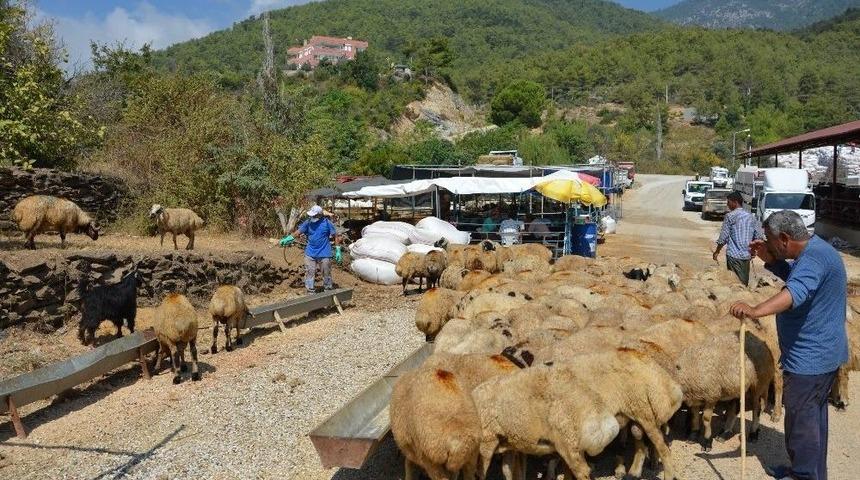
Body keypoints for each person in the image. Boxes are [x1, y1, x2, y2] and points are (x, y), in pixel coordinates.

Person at [730, 210, 848, 480]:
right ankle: (812, 472)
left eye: (770, 241)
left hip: (810, 360)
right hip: (823, 355)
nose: (767, 244)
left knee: (801, 423)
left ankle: (804, 476)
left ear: (784, 238)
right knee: (814, 419)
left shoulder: (814, 258)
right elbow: (801, 280)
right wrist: (770, 259)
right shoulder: (816, 252)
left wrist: (755, 310)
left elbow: (795, 293)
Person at [279, 205, 342, 294]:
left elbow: (335, 235)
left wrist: (338, 250)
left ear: (320, 215)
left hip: (324, 253)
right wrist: (288, 238)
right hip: (310, 253)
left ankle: (328, 291)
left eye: (314, 215)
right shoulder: (308, 222)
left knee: (326, 273)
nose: (312, 217)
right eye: (311, 215)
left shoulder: (327, 223)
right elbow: (298, 232)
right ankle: (310, 291)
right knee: (310, 272)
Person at [713, 191, 763, 285]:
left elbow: (723, 237)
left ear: (735, 202)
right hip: (746, 256)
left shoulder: (730, 216)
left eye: (728, 202)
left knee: (734, 283)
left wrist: (717, 251)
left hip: (733, 256)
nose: (727, 205)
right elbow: (758, 237)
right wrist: (753, 251)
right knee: (743, 283)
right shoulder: (751, 217)